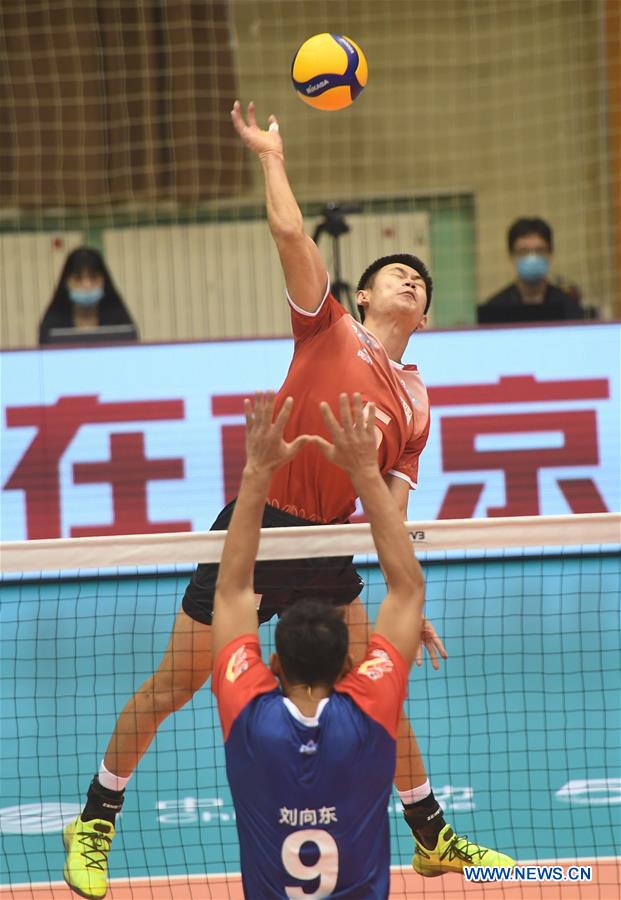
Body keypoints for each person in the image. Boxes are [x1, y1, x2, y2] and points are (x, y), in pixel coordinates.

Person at [63, 102, 514, 900]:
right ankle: (94, 816)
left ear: (423, 310)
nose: (411, 278)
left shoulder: (417, 403)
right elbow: (290, 237)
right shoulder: (326, 327)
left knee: (378, 682)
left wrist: (402, 584)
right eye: (395, 272)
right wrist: (272, 156)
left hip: (327, 547)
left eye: (422, 279)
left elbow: (392, 505)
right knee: (176, 684)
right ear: (365, 296)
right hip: (258, 525)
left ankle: (432, 835)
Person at [211, 391, 427, 897]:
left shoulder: (250, 721)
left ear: (273, 663)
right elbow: (407, 589)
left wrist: (257, 471)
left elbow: (233, 589)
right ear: (351, 663)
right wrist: (364, 474)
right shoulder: (371, 711)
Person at [478, 217, 585, 324]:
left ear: (550, 255)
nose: (532, 258)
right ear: (511, 256)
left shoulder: (569, 307)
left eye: (539, 251)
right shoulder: (495, 309)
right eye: (523, 251)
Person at [39, 246, 138, 344]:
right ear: (66, 283)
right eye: (78, 279)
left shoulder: (120, 320)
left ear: (104, 281)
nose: (87, 285)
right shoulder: (52, 323)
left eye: (94, 277)